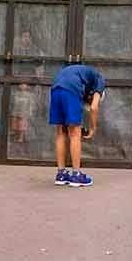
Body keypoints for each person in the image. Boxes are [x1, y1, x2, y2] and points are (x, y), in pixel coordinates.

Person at [48, 59, 106, 187]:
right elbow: (94, 107)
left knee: (61, 132)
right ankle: (76, 175)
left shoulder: (82, 73)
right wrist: (92, 128)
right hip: (71, 89)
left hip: (56, 88)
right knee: (75, 133)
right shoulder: (100, 80)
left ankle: (61, 174)